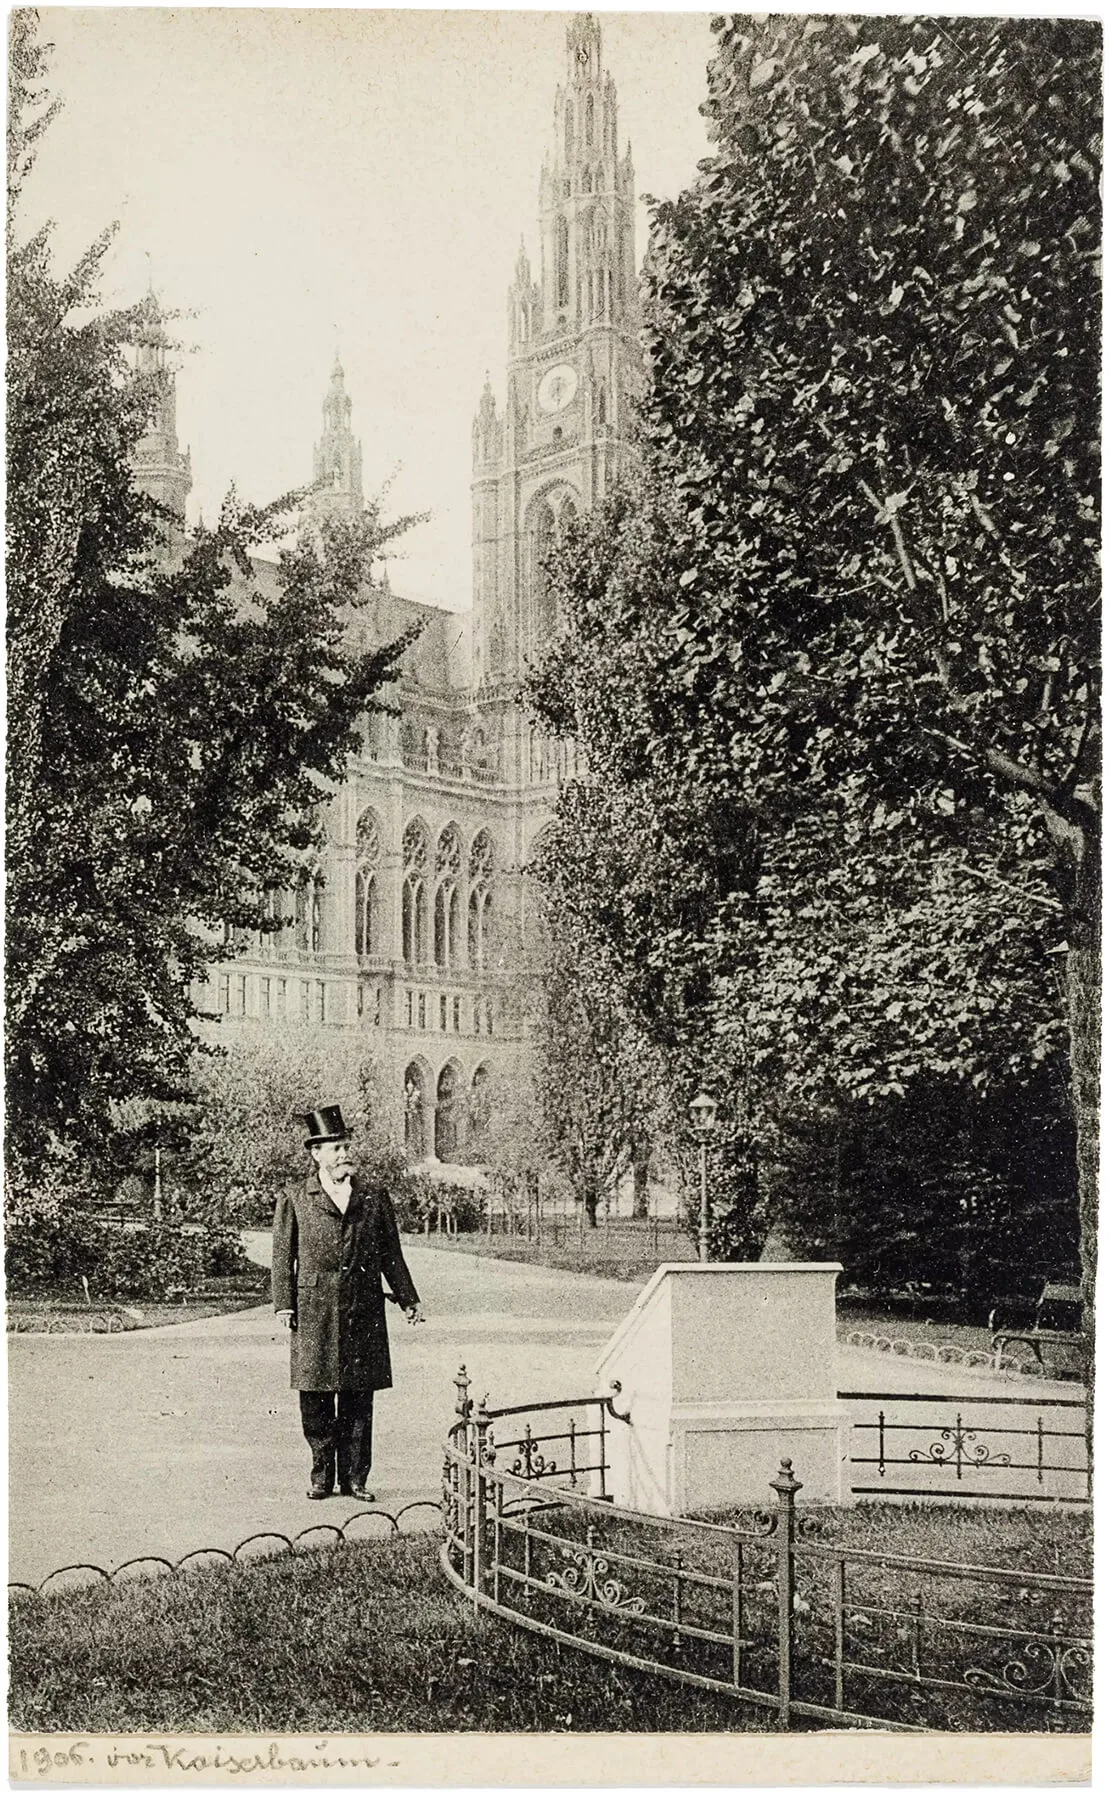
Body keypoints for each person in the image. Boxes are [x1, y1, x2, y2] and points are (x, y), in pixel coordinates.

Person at [272, 1104, 424, 1501]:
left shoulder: (373, 1197)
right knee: (316, 1396)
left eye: (346, 1147)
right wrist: (284, 1303)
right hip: (314, 1310)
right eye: (336, 1148)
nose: (344, 1154)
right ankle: (322, 1476)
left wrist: (408, 1298)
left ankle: (356, 1479)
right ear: (316, 1153)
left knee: (359, 1396)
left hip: (363, 1308)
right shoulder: (295, 1197)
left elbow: (391, 1254)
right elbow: (282, 1255)